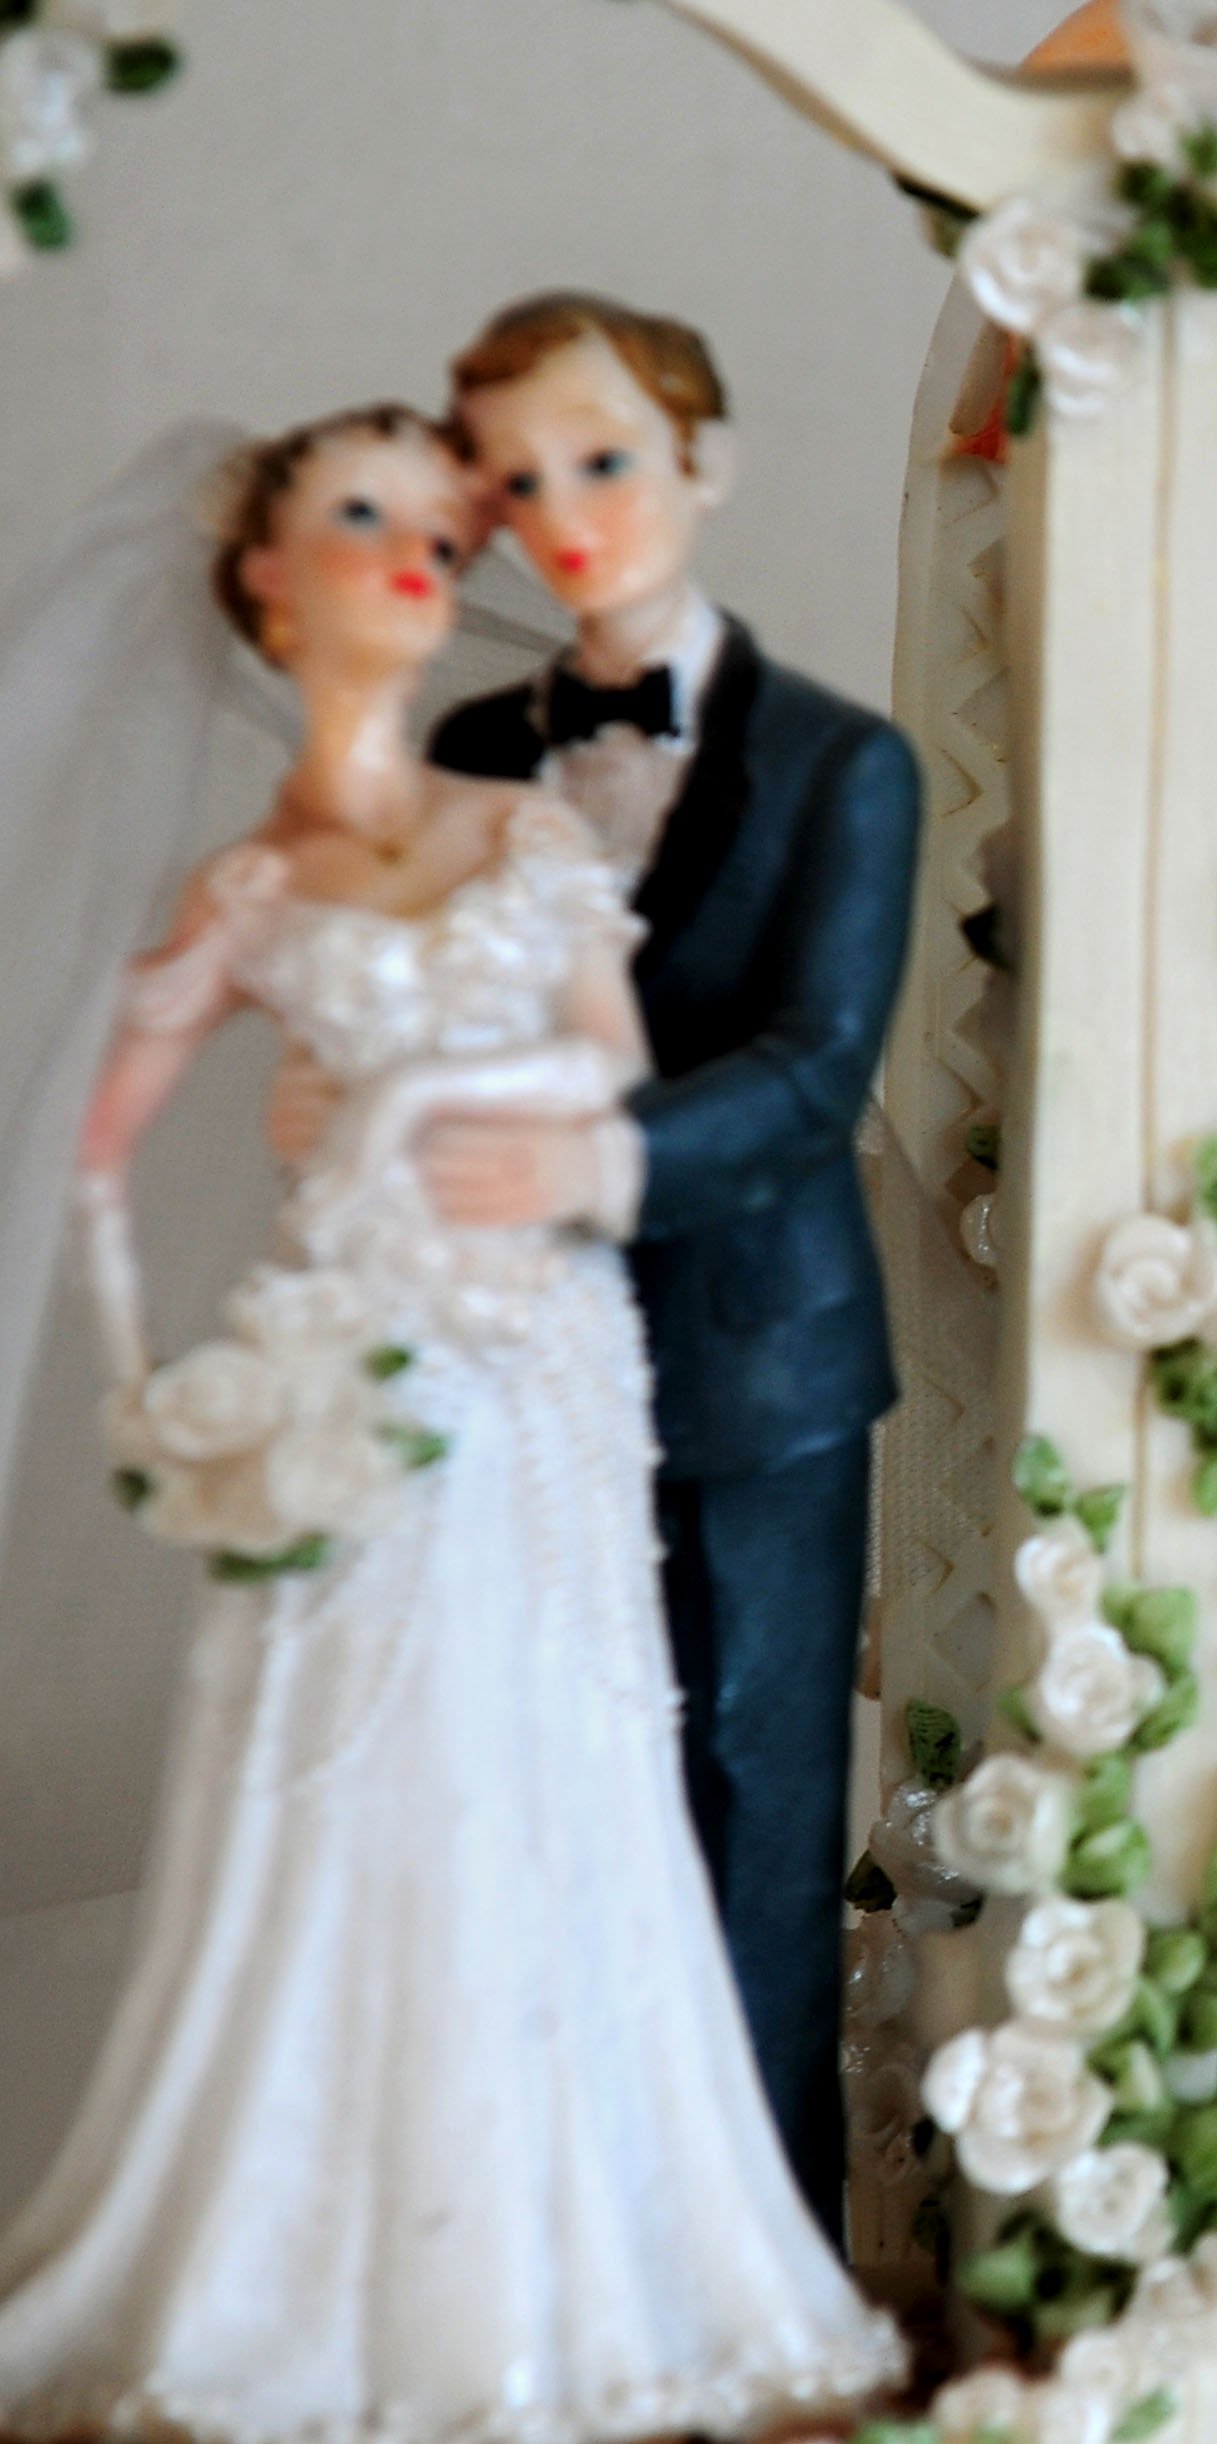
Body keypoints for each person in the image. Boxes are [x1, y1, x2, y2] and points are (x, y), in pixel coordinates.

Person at [0, 407, 900, 2440]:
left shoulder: (523, 828)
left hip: (546, 1354)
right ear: (263, 583)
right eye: (360, 524)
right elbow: (83, 1140)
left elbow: (615, 1078)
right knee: (349, 1764)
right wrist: (171, 1372)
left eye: (436, 524)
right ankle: (328, 2249)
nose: (417, 556)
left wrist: (424, 1107)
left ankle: (593, 2236)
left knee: (570, 1755)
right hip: (355, 1351)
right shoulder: (250, 880)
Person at [266, 294, 925, 2230]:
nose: (569, 511)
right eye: (521, 477)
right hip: (507, 1354)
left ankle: (763, 2260)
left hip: (753, 1367)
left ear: (704, 469)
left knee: (746, 1794)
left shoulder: (840, 765)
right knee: (519, 1793)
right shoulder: (465, 744)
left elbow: (815, 1072)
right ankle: (546, 2243)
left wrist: (590, 1150)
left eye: (610, 459)